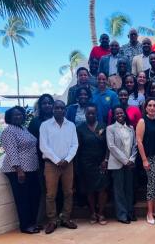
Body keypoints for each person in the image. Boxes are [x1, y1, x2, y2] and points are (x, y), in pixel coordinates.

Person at [39, 100, 79, 234]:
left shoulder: (71, 125)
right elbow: (43, 146)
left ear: (65, 110)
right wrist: (57, 160)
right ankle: (52, 220)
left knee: (68, 192)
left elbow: (75, 145)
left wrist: (67, 160)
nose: (59, 110)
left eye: (62, 108)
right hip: (51, 165)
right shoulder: (45, 126)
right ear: (52, 109)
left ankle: (66, 218)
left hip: (68, 164)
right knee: (51, 194)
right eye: (57, 108)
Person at [1, 106, 40, 234]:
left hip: (31, 168)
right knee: (22, 199)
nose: (18, 117)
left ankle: (33, 222)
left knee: (33, 196)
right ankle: (25, 225)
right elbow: (11, 151)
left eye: (20, 114)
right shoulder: (9, 131)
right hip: (18, 170)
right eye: (15, 115)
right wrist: (19, 170)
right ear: (9, 118)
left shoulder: (23, 128)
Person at [76, 104, 109, 225]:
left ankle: (101, 213)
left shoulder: (103, 126)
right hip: (86, 163)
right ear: (85, 115)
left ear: (96, 114)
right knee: (89, 189)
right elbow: (78, 147)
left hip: (101, 163)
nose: (90, 115)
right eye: (88, 113)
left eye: (93, 113)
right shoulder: (80, 128)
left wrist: (105, 160)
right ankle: (92, 213)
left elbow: (108, 146)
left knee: (102, 189)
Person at [107, 107, 138, 224]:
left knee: (129, 189)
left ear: (125, 114)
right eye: (117, 113)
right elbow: (111, 147)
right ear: (114, 116)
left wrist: (132, 160)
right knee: (119, 190)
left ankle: (130, 212)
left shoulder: (131, 128)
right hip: (117, 164)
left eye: (121, 113)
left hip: (130, 164)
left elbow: (135, 146)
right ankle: (122, 214)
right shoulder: (110, 129)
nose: (120, 114)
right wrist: (125, 161)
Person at [27, 94, 54, 226]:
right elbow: (31, 143)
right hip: (42, 161)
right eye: (44, 103)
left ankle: (57, 216)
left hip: (59, 161)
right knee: (45, 191)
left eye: (49, 103)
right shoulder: (35, 122)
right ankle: (41, 220)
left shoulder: (59, 120)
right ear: (40, 106)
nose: (47, 105)